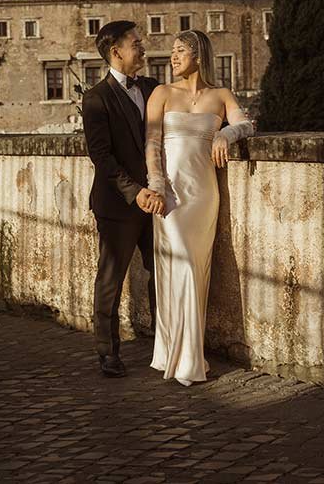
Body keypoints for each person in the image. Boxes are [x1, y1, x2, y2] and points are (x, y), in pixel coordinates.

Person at [145, 29, 254, 386]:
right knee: (181, 267)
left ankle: (189, 355)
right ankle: (179, 354)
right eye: (173, 51)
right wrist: (157, 185)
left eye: (180, 51)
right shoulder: (161, 93)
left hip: (203, 195)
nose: (173, 56)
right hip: (171, 194)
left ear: (198, 55)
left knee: (196, 268)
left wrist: (225, 134)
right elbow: (152, 144)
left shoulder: (221, 95)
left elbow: (246, 124)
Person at [82, 20, 164, 377]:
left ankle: (166, 345)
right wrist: (136, 193)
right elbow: (101, 156)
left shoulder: (153, 88)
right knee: (111, 280)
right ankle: (108, 353)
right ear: (116, 52)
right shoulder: (96, 98)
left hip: (160, 200)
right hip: (119, 204)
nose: (143, 47)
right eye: (136, 43)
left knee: (163, 274)